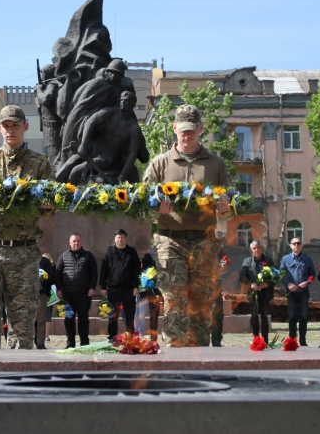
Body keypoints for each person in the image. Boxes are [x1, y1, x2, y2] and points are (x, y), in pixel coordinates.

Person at [142, 104, 233, 347]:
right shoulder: (160, 164)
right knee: (174, 300)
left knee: (201, 303)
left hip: (205, 241)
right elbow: (142, 201)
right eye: (182, 130)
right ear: (174, 128)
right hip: (170, 240)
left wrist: (226, 208)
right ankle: (174, 355)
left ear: (201, 129)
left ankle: (199, 358)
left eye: (192, 130)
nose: (187, 135)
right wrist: (155, 207)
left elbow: (230, 201)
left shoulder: (216, 164)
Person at [0, 105, 53, 349]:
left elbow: (51, 208)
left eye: (15, 125)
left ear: (25, 127)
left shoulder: (40, 165)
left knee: (22, 325)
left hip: (24, 253)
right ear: (0, 128)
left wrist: (47, 203)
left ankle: (18, 378)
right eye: (6, 126)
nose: (10, 130)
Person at [55, 233, 98, 348]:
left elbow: (94, 273)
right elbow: (58, 273)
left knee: (83, 319)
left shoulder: (88, 256)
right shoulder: (63, 256)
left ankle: (84, 343)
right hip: (68, 294)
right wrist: (59, 289)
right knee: (69, 319)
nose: (76, 243)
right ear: (70, 243)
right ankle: (70, 343)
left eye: (78, 241)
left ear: (81, 242)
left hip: (84, 294)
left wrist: (92, 288)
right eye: (74, 241)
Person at [99, 229, 141, 341]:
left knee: (129, 315)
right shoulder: (109, 252)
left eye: (122, 237)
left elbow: (137, 270)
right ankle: (112, 337)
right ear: (114, 239)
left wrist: (137, 286)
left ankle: (130, 337)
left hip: (129, 289)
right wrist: (103, 287)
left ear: (126, 238)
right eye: (118, 237)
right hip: (113, 288)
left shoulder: (132, 252)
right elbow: (104, 270)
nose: (120, 239)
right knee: (113, 315)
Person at [279, 238, 316, 346]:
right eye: (294, 243)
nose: (296, 245)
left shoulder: (307, 259)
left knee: (303, 316)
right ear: (290, 246)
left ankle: (303, 340)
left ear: (302, 245)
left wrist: (308, 282)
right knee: (292, 316)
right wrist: (288, 284)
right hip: (292, 293)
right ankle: (292, 340)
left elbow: (312, 274)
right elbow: (282, 274)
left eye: (298, 243)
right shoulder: (285, 259)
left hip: (303, 292)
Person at [240, 241, 274, 344]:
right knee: (254, 316)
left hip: (265, 292)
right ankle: (256, 338)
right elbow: (242, 276)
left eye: (258, 247)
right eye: (254, 248)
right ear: (251, 250)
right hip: (253, 293)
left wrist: (268, 283)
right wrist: (250, 283)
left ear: (261, 248)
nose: (257, 250)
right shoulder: (247, 261)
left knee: (264, 316)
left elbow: (275, 275)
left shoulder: (268, 260)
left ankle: (265, 340)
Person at [136, 247, 161, 341]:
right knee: (154, 314)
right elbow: (143, 269)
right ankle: (153, 337)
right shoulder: (151, 252)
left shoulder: (172, 250)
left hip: (168, 287)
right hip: (154, 289)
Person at [36, 252, 56, 349]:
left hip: (41, 292)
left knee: (40, 319)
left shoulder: (44, 261)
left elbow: (50, 278)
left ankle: (40, 342)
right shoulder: (24, 259)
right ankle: (27, 342)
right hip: (25, 294)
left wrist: (48, 293)